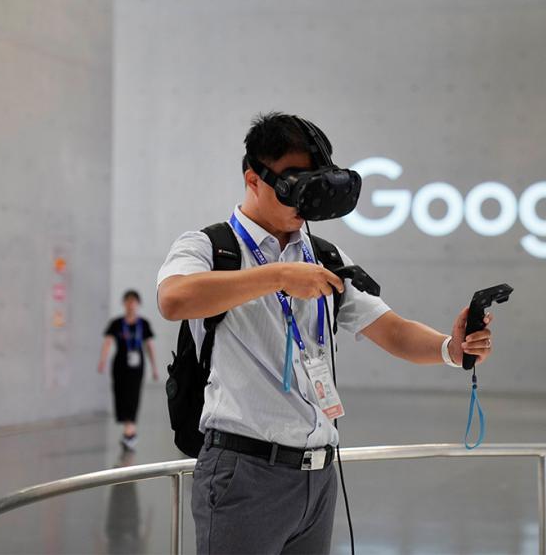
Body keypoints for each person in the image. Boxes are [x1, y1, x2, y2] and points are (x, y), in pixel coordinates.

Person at [156, 112, 496, 555]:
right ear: (253, 179)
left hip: (317, 477)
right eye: (293, 183)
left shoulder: (324, 257)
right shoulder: (210, 247)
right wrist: (279, 276)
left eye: (313, 182)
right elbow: (174, 299)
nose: (304, 198)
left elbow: (392, 331)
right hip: (244, 472)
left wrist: (451, 348)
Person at [99, 290, 159, 450]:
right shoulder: (116, 323)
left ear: (138, 304)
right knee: (120, 394)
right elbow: (107, 342)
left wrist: (154, 367)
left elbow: (149, 346)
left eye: (134, 301)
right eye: (128, 301)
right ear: (124, 303)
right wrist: (102, 361)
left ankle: (130, 432)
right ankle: (129, 431)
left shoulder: (143, 324)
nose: (131, 304)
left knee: (133, 395)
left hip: (136, 367)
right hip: (120, 365)